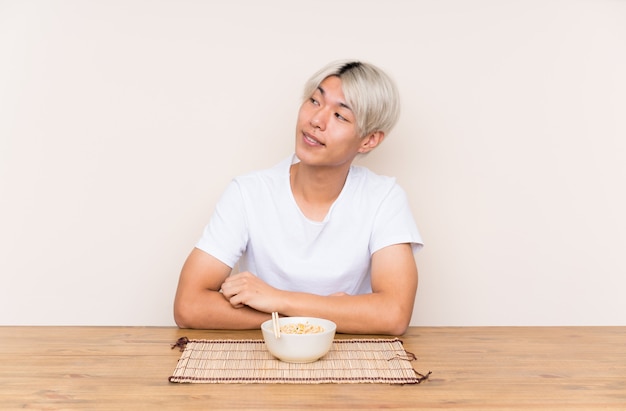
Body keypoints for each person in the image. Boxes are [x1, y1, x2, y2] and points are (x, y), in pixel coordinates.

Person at [174, 60, 423, 335]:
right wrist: (321, 314)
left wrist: (277, 299)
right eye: (315, 101)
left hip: (354, 365)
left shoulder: (384, 198)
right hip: (262, 360)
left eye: (340, 116)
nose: (316, 120)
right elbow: (189, 305)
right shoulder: (248, 192)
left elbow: (394, 315)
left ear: (369, 140)